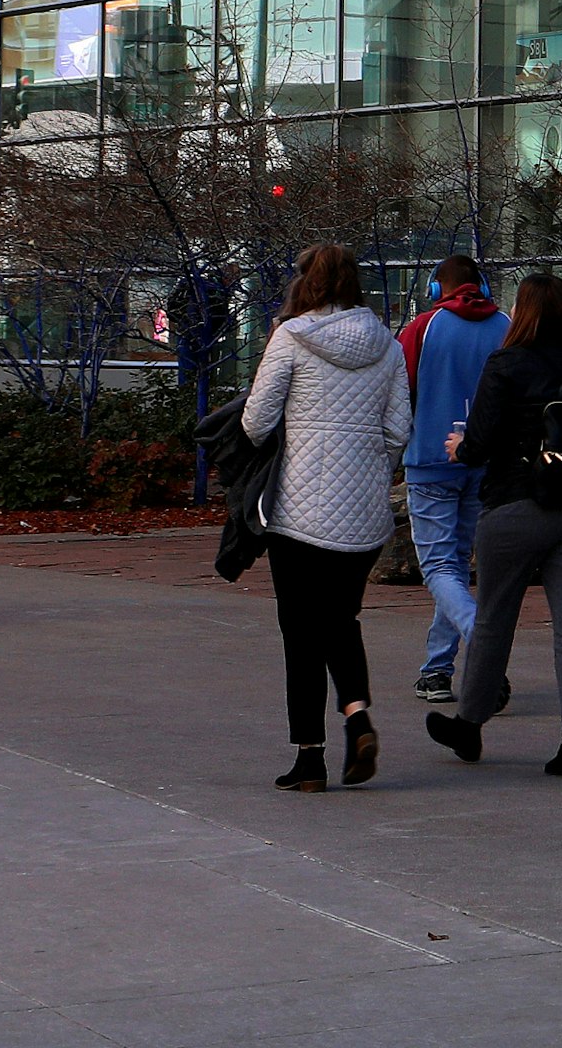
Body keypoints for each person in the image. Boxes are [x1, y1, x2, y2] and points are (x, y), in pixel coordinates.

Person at [431, 272, 562, 779]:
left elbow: (481, 441)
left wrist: (459, 449)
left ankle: (469, 725)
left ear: (525, 314)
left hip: (518, 504)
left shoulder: (507, 364)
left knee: (495, 618)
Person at [239, 243, 411, 792]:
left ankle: (309, 758)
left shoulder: (290, 337)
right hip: (361, 514)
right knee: (341, 619)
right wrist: (368, 470)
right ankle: (356, 714)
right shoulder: (386, 344)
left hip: (297, 510)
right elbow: (397, 431)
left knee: (300, 630)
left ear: (305, 284)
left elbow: (256, 420)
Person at [393, 252, 513, 704]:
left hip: (430, 458)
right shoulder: (505, 325)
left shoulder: (423, 328)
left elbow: (399, 392)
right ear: (481, 285)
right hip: (487, 463)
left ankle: (482, 646)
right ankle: (437, 668)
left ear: (434, 287)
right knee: (457, 566)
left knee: (440, 567)